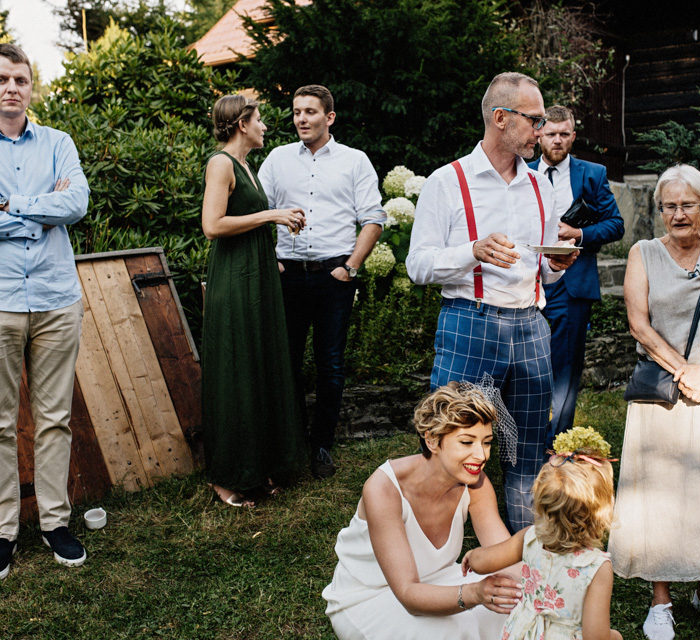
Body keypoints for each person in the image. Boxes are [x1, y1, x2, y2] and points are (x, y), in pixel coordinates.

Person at [0, 43, 90, 582]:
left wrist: (6, 205)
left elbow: (77, 203)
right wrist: (39, 207)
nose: (12, 87)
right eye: (1, 78)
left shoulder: (59, 143)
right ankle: (2, 534)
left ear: (32, 87)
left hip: (55, 299)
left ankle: (55, 522)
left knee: (55, 418)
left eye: (21, 79)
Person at [406, 72, 578, 532]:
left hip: (530, 327)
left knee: (525, 445)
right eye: (535, 120)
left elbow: (541, 266)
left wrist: (556, 265)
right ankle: (437, 541)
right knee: (451, 440)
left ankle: (524, 545)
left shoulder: (542, 187)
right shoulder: (447, 182)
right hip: (470, 323)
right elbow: (417, 265)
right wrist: (472, 252)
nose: (542, 131)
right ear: (501, 118)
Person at [607, 165, 700, 640]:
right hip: (663, 394)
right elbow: (639, 325)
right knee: (663, 493)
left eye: (687, 204)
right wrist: (685, 372)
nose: (677, 214)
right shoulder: (643, 253)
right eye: (668, 206)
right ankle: (660, 601)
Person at [323, 382, 523, 640]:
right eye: (466, 442)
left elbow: (504, 557)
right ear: (432, 440)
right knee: (450, 631)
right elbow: (408, 594)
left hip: (443, 581)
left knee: (515, 610)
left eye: (486, 442)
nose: (481, 455)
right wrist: (475, 593)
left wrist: (546, 572)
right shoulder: (384, 489)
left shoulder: (476, 483)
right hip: (370, 597)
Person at [258, 84, 385, 479]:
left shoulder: (354, 161)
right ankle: (293, 443)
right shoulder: (277, 160)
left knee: (330, 364)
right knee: (287, 361)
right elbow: (257, 211)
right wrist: (271, 261)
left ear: (329, 117)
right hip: (287, 274)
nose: (301, 119)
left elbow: (374, 219)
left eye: (310, 112)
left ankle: (322, 446)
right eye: (296, 112)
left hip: (334, 276)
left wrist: (350, 267)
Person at [201, 94, 307, 507]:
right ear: (242, 123)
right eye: (259, 120)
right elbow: (212, 224)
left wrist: (270, 255)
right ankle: (227, 476)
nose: (265, 126)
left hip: (258, 276)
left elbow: (244, 224)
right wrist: (273, 215)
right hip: (235, 283)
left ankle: (257, 466)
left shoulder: (248, 167)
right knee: (236, 372)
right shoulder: (221, 163)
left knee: (259, 368)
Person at [461, 433, 622, 640]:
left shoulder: (530, 537)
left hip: (523, 632)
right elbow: (595, 636)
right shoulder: (596, 567)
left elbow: (485, 562)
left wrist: (473, 556)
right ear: (602, 510)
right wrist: (615, 636)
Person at [527, 106, 624, 443]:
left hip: (572, 284)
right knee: (526, 362)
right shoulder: (519, 171)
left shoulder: (592, 174)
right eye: (551, 133)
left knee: (566, 366)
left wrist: (578, 234)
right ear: (539, 133)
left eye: (564, 134)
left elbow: (616, 225)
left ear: (573, 136)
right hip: (528, 281)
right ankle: (526, 432)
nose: (557, 140)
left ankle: (558, 440)